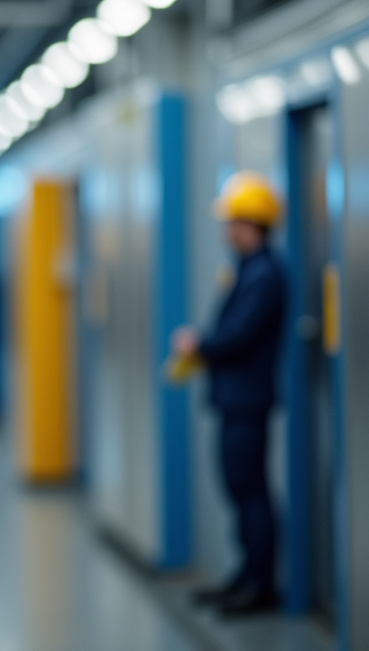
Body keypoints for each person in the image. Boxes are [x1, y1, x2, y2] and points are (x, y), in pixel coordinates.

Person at [172, 171, 286, 617]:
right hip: (236, 399)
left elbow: (238, 336)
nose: (226, 231)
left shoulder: (264, 275)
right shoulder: (249, 271)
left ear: (251, 225)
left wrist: (199, 344)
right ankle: (246, 576)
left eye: (232, 222)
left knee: (250, 492)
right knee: (240, 490)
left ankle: (260, 586)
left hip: (247, 401)